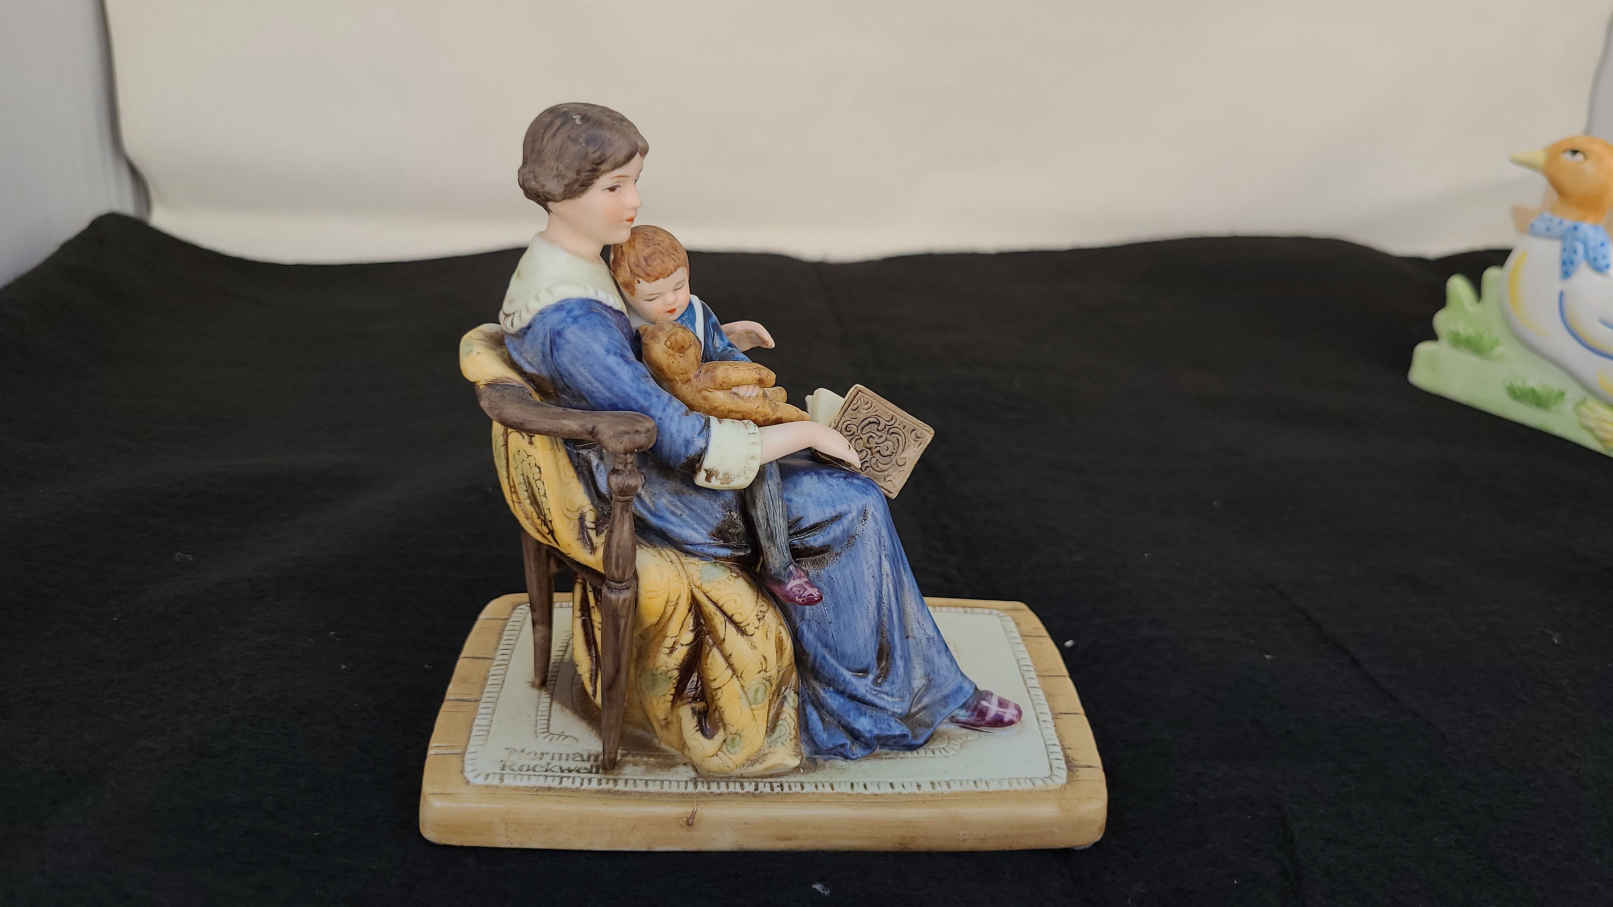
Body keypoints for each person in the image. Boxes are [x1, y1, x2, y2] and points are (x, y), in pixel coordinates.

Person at [498, 102, 1020, 760]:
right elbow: (681, 439)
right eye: (614, 186)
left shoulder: (571, 266)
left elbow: (648, 359)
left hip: (641, 460)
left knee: (835, 480)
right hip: (653, 489)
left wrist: (718, 346)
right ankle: (865, 705)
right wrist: (802, 436)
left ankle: (912, 684)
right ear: (561, 189)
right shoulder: (570, 320)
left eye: (634, 181)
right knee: (851, 501)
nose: (634, 201)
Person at [609, 223, 823, 607]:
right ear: (625, 291)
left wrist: (743, 378)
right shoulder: (625, 331)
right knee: (756, 462)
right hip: (672, 430)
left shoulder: (696, 311)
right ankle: (772, 564)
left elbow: (722, 351)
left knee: (770, 452)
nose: (670, 301)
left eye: (678, 286)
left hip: (718, 412)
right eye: (653, 296)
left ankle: (778, 561)